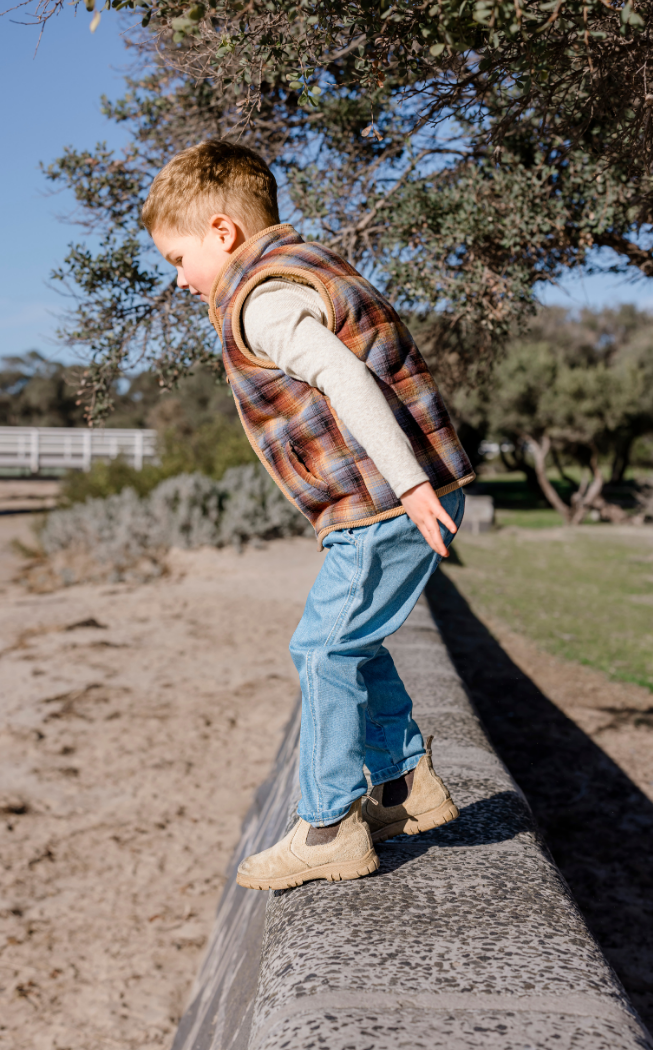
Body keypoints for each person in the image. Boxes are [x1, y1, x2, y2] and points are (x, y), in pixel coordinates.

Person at [142, 140, 475, 892]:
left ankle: (326, 828)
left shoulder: (261, 298)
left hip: (382, 503)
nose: (181, 280)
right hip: (386, 499)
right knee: (352, 642)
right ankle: (402, 786)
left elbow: (341, 375)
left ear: (222, 233)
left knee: (320, 649)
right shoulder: (303, 266)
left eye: (177, 258)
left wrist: (410, 486)